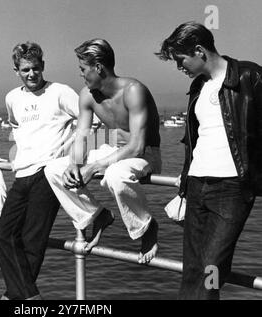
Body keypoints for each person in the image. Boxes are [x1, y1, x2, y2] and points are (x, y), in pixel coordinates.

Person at [156, 21, 262, 299]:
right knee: (192, 269)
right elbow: (193, 141)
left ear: (199, 50)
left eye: (181, 60)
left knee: (211, 268)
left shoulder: (250, 76)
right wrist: (184, 184)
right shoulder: (198, 87)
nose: (180, 68)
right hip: (196, 186)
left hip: (232, 189)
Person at [44, 39, 162, 264]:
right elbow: (81, 135)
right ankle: (97, 215)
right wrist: (75, 164)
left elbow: (137, 146)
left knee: (115, 174)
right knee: (53, 170)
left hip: (144, 155)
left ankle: (146, 226)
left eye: (83, 69)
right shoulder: (87, 95)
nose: (81, 75)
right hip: (114, 152)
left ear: (98, 67)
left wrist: (95, 166)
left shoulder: (133, 91)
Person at [0, 42, 79, 300]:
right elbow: (17, 128)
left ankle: (18, 298)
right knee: (2, 234)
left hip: (48, 175)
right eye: (26, 69)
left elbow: (90, 123)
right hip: (22, 174)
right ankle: (26, 297)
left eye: (36, 69)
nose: (32, 74)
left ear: (44, 66)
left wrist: (75, 158)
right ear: (16, 70)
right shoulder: (12, 98)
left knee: (33, 240)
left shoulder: (61, 92)